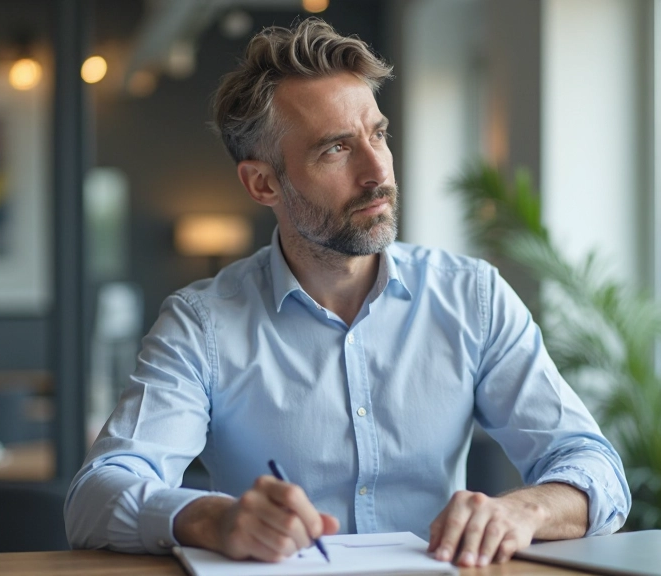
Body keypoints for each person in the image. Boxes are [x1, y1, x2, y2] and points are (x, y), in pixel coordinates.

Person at [64, 18, 630, 568]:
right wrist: (213, 519)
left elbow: (595, 469)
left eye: (378, 134)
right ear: (263, 183)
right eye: (336, 148)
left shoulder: (472, 297)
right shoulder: (202, 324)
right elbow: (94, 497)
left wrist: (521, 512)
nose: (376, 170)